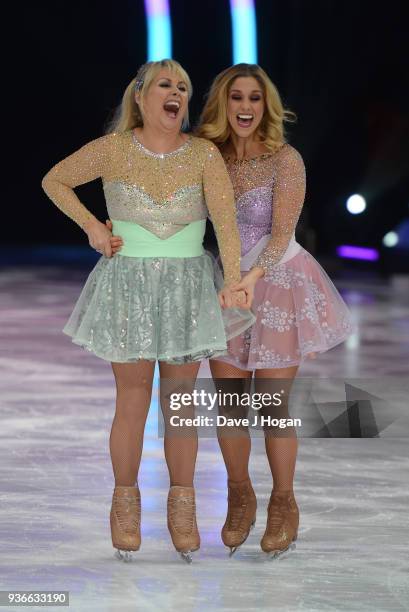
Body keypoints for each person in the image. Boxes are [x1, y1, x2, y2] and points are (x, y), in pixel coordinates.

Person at [41, 59, 255, 563]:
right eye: (165, 85)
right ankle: (125, 504)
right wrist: (94, 227)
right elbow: (55, 180)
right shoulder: (113, 149)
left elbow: (224, 221)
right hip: (129, 284)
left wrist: (232, 281)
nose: (176, 92)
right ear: (139, 96)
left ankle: (183, 507)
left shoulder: (203, 154)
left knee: (179, 401)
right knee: (133, 397)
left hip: (188, 284)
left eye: (182, 86)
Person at [196, 63, 354, 557]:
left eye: (254, 99)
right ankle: (240, 494)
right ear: (223, 104)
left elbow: (283, 231)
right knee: (230, 402)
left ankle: (284, 501)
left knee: (270, 403)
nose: (245, 107)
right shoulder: (206, 157)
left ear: (266, 106)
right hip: (225, 286)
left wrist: (250, 279)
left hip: (276, 281)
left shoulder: (286, 159)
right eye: (236, 98)